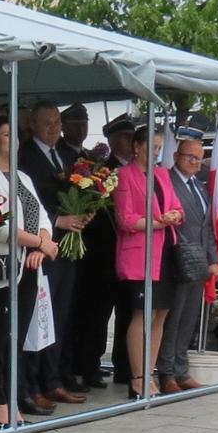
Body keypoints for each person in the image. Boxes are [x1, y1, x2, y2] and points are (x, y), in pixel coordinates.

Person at [0, 116, 55, 426]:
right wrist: (40, 243)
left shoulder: (23, 176)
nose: (12, 140)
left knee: (16, 339)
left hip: (28, 268)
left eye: (15, 135)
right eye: (5, 134)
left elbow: (42, 215)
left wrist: (42, 244)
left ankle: (12, 397)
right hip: (1, 270)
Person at [16, 101, 90, 411]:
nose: (54, 128)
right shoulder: (25, 157)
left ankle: (54, 377)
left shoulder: (67, 155)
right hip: (41, 247)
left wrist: (84, 212)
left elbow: (80, 187)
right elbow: (28, 201)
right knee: (39, 317)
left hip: (66, 247)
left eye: (57, 122)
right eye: (47, 122)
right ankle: (33, 384)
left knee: (60, 316)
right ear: (32, 125)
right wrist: (59, 220)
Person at [112, 125, 184, 397]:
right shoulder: (124, 175)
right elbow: (125, 218)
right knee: (142, 313)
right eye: (151, 147)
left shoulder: (162, 174)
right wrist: (157, 222)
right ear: (137, 146)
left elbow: (177, 207)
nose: (155, 153)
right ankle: (138, 376)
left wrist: (173, 216)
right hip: (140, 253)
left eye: (158, 148)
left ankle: (149, 371)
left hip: (165, 249)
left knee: (161, 313)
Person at [70, 113, 135, 390]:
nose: (132, 144)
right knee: (96, 315)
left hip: (128, 255)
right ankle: (88, 366)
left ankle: (124, 365)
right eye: (127, 138)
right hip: (102, 254)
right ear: (115, 140)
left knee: (128, 312)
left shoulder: (135, 169)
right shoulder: (100, 170)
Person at [156, 131, 218, 392]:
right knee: (174, 317)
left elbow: (208, 226)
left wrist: (213, 258)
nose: (195, 162)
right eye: (189, 156)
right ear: (175, 156)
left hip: (199, 262)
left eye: (199, 158)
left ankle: (182, 370)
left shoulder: (200, 186)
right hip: (177, 259)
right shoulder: (167, 182)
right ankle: (167, 371)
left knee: (189, 317)